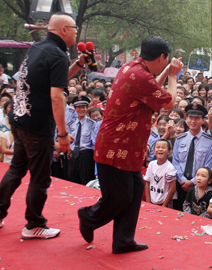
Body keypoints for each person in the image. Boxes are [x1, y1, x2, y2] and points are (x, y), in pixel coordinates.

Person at [0, 12, 86, 239]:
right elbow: (56, 96)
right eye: (74, 28)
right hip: (37, 126)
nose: (76, 32)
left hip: (20, 121)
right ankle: (34, 224)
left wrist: (79, 64)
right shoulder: (57, 54)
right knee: (40, 178)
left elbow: (56, 79)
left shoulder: (37, 48)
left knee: (17, 169)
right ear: (63, 30)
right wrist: (62, 133)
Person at [78, 36, 182, 254]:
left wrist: (166, 73)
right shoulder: (141, 77)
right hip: (116, 146)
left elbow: (153, 86)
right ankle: (88, 217)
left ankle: (123, 240)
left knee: (134, 192)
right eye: (167, 59)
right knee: (120, 197)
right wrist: (173, 76)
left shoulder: (132, 67)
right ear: (162, 57)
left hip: (128, 147)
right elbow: (170, 102)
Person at [172, 103, 212, 211]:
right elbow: (175, 162)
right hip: (180, 184)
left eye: (196, 118)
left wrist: (192, 182)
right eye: (190, 118)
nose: (193, 121)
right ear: (186, 118)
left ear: (203, 120)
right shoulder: (179, 139)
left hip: (200, 186)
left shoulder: (210, 141)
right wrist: (183, 180)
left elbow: (209, 166)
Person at [66, 95, 98, 185]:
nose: (81, 110)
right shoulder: (71, 124)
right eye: (78, 107)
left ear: (87, 108)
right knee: (72, 182)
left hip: (85, 156)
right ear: (75, 109)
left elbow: (94, 142)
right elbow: (69, 141)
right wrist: (68, 153)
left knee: (86, 181)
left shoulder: (92, 124)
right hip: (73, 156)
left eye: (83, 107)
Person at [144, 139, 177, 208]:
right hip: (152, 200)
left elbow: (173, 188)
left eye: (163, 147)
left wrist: (164, 205)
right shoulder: (151, 164)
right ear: (154, 151)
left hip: (164, 202)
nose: (160, 149)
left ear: (169, 151)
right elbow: (147, 182)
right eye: (158, 147)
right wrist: (148, 201)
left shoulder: (170, 168)